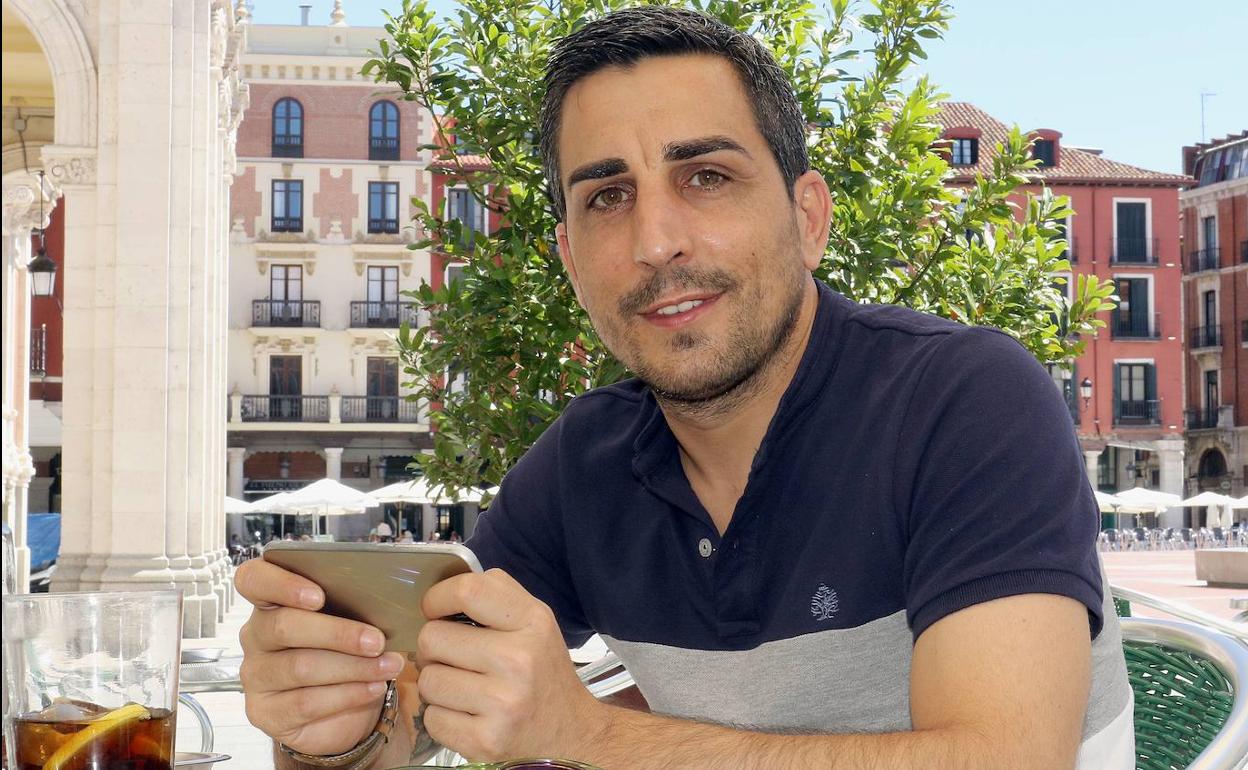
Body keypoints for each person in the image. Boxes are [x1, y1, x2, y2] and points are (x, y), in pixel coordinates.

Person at [235, 7, 1133, 769]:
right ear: (569, 260)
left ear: (807, 218)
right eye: (606, 197)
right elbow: (411, 714)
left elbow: (1000, 758)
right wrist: (332, 720)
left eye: (706, 177)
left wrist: (586, 732)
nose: (656, 239)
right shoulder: (585, 466)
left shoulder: (965, 401)